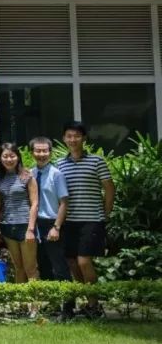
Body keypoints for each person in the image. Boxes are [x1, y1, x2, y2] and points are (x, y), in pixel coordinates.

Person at [56, 120, 115, 318]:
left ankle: (94, 303)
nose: (73, 140)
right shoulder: (59, 165)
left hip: (92, 219)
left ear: (84, 138)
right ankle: (88, 303)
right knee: (72, 263)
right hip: (69, 221)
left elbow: (109, 189)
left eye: (77, 136)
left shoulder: (97, 161)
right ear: (64, 139)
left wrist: (105, 213)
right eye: (69, 136)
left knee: (83, 261)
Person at [31, 136, 74, 318]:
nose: (41, 154)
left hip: (52, 223)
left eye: (45, 151)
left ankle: (68, 306)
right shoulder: (30, 173)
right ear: (32, 152)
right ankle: (53, 303)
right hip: (36, 224)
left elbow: (64, 202)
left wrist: (56, 226)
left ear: (50, 152)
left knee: (60, 266)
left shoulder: (57, 174)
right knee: (44, 265)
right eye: (38, 151)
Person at [0, 142, 38, 283]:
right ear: (0, 158)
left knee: (30, 268)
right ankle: (22, 303)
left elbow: (35, 204)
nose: (9, 159)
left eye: (12, 156)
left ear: (18, 157)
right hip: (7, 226)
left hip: (25, 225)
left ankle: (35, 304)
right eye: (5, 156)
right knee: (18, 267)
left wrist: (31, 229)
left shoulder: (27, 175)